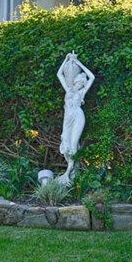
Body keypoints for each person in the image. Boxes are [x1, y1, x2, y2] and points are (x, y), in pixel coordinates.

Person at [56, 52, 95, 184]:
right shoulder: (68, 90)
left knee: (73, 145)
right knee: (65, 143)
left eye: (81, 84)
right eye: (78, 83)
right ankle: (73, 170)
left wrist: (78, 62)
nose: (80, 85)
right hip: (68, 118)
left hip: (78, 116)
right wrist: (66, 59)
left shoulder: (82, 92)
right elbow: (59, 75)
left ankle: (69, 173)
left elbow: (92, 77)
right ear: (75, 82)